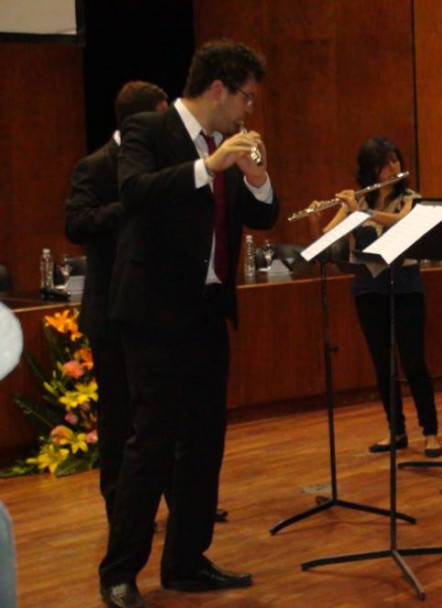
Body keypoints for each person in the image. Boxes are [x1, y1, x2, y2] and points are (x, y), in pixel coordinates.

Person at [98, 40, 278, 608]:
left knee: (204, 443)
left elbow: (266, 215)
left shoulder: (228, 144)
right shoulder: (150, 131)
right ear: (218, 89)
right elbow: (134, 193)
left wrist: (255, 177)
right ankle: (120, 572)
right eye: (246, 97)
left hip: (206, 311)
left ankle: (186, 562)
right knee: (150, 443)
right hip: (153, 312)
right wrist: (209, 166)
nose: (249, 110)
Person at [66, 81, 230, 529]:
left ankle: (183, 508)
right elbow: (77, 222)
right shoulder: (96, 165)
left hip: (163, 307)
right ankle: (121, 514)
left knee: (173, 421)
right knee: (123, 425)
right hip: (113, 310)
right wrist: (134, 207)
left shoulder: (173, 160)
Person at [315, 136, 442, 459]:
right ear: (371, 169)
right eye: (385, 163)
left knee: (413, 362)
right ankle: (396, 430)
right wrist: (320, 218)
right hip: (368, 290)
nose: (392, 167)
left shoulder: (412, 198)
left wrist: (361, 213)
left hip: (406, 287)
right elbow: (329, 238)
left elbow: (405, 224)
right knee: (383, 364)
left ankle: (430, 432)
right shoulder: (358, 201)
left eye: (395, 161)